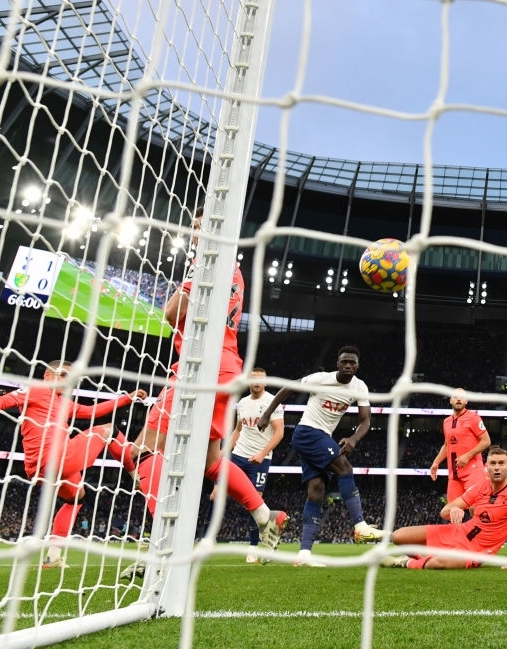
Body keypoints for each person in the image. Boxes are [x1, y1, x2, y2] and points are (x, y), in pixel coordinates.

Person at [123, 207, 287, 578]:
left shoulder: (206, 262)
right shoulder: (236, 270)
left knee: (140, 450)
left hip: (200, 365)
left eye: (200, 225)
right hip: (226, 364)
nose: (195, 231)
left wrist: (183, 288)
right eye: (194, 225)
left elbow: (169, 314)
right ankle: (265, 516)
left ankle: (162, 544)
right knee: (211, 459)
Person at [0, 360, 145, 567]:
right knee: (109, 430)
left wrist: (126, 399)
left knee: (77, 497)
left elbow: (92, 411)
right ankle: (135, 474)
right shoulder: (37, 390)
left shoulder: (63, 403)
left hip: (40, 470)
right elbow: (2, 402)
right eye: (63, 375)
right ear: (47, 375)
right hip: (55, 458)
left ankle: (53, 555)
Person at [257, 345, 384, 567]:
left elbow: (365, 421)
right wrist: (267, 414)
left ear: (357, 366)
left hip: (322, 436)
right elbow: (288, 388)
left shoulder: (359, 387)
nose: (347, 365)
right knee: (345, 468)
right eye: (343, 361)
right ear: (337, 363)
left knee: (316, 492)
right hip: (307, 432)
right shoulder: (320, 378)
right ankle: (360, 526)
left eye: (351, 362)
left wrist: (354, 439)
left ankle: (304, 554)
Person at [382, 446, 507, 569]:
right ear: (486, 467)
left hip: (475, 551)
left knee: (438, 563)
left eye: (501, 463)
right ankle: (422, 558)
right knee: (398, 536)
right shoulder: (480, 487)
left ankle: (403, 562)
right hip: (458, 532)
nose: (497, 468)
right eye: (493, 463)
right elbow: (444, 512)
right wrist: (455, 509)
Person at [226, 367, 285, 563]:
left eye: (260, 379)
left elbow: (279, 432)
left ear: (266, 382)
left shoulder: (272, 401)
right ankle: (272, 524)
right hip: (238, 455)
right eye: (253, 379)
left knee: (253, 502)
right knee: (227, 493)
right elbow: (237, 430)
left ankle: (253, 548)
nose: (256, 382)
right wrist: (224, 452)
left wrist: (262, 453)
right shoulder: (242, 403)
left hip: (259, 459)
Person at [429, 388, 491, 506]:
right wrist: (436, 462)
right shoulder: (446, 421)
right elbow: (447, 445)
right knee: (451, 512)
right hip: (454, 474)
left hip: (473, 471)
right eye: (455, 397)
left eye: (461, 397)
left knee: (477, 507)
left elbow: (486, 441)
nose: (458, 399)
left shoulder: (473, 418)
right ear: (450, 400)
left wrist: (468, 456)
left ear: (466, 401)